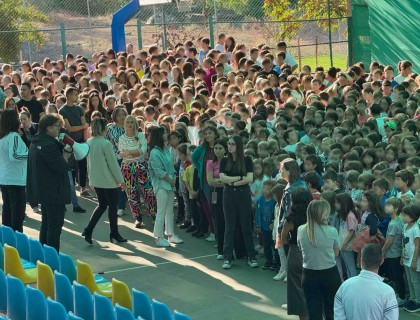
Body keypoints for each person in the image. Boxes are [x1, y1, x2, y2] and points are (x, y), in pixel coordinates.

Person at [27, 114, 71, 252]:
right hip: (54, 192)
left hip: (45, 191)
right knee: (54, 226)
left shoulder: (36, 141)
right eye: (58, 126)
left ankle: (45, 255)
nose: (60, 129)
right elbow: (61, 167)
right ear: (49, 127)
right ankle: (52, 259)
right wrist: (65, 156)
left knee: (46, 224)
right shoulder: (48, 145)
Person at [82, 118, 127, 244]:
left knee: (102, 205)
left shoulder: (89, 141)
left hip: (96, 179)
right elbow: (113, 164)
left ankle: (89, 229)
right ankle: (114, 233)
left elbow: (88, 163)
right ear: (103, 129)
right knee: (112, 206)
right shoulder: (105, 143)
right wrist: (120, 180)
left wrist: (90, 179)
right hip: (108, 180)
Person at [298, 200, 342, 320]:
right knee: (331, 309)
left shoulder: (301, 230)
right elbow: (336, 252)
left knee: (313, 310)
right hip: (329, 273)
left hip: (309, 272)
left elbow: (300, 248)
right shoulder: (331, 231)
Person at [219, 135, 257, 269]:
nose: (229, 146)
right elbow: (222, 178)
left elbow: (250, 178)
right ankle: (227, 257)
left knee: (246, 226)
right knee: (229, 226)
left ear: (238, 146)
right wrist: (239, 178)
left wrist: (233, 182)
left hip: (243, 194)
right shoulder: (224, 160)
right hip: (229, 194)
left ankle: (251, 256)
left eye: (232, 144)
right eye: (228, 144)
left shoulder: (246, 159)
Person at [334, 243, 399, 320]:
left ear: (361, 259)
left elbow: (338, 317)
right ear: (381, 261)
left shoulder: (344, 286)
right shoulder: (388, 291)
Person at [148, 126, 183, 247]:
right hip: (161, 185)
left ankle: (171, 235)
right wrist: (170, 180)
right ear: (159, 136)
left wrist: (172, 178)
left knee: (170, 211)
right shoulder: (154, 152)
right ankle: (158, 237)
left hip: (169, 184)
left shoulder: (165, 149)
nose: (166, 135)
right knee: (161, 211)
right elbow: (158, 171)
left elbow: (171, 166)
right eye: (164, 133)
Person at [119, 115, 155, 228]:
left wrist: (130, 152)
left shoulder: (140, 135)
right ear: (125, 124)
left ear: (135, 124)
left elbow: (143, 151)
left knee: (149, 191)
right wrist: (135, 152)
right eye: (128, 122)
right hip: (127, 167)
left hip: (141, 166)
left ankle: (154, 215)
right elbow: (122, 153)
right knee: (131, 193)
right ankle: (138, 217)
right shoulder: (121, 138)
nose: (130, 124)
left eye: (132, 122)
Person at [281, 188, 312, 320]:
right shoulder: (313, 217)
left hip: (295, 252)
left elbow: (283, 239)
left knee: (297, 289)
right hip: (312, 253)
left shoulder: (290, 219)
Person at [59, 86, 90, 197]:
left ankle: (83, 188)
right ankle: (71, 188)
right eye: (75, 94)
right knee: (71, 166)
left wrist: (82, 127)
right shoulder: (62, 110)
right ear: (68, 96)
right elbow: (69, 128)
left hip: (81, 140)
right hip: (69, 141)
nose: (77, 96)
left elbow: (85, 125)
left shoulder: (79, 109)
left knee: (82, 165)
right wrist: (82, 126)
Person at [0, 109, 28, 232]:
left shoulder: (3, 137)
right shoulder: (13, 136)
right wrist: (29, 154)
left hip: (5, 178)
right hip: (15, 179)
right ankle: (17, 239)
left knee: (7, 210)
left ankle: (7, 238)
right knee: (17, 213)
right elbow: (15, 155)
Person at [206, 138, 228, 260]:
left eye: (220, 148)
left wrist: (220, 181)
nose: (218, 151)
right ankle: (220, 249)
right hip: (215, 193)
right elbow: (210, 181)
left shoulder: (228, 161)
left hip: (227, 193)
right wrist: (223, 181)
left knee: (227, 220)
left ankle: (230, 247)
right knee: (217, 219)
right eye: (216, 148)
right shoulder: (210, 163)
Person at [106, 107, 128, 216]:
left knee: (129, 182)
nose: (122, 117)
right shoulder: (110, 128)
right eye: (119, 115)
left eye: (123, 114)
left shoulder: (130, 127)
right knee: (119, 182)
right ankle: (121, 206)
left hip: (129, 158)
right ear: (114, 116)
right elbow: (107, 143)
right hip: (116, 158)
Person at [401, 204, 420, 313]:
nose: (402, 217)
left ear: (412, 216)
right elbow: (404, 243)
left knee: (415, 281)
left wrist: (414, 260)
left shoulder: (415, 229)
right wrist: (403, 257)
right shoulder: (405, 226)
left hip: (414, 260)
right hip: (406, 258)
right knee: (409, 280)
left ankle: (418, 301)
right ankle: (412, 299)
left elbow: (417, 245)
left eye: (405, 215)